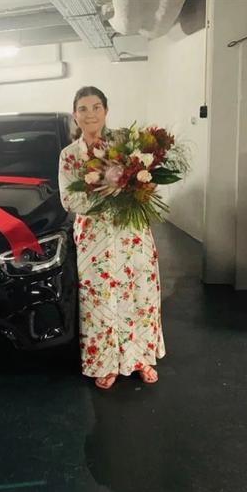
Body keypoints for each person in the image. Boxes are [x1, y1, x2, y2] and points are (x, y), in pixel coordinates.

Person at [59, 86, 165, 389]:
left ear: (105, 110)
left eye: (96, 107)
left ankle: (140, 358)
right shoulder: (69, 155)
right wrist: (110, 193)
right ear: (75, 115)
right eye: (83, 108)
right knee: (100, 299)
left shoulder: (125, 145)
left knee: (139, 293)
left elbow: (147, 183)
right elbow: (69, 200)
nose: (90, 114)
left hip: (130, 233)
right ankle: (104, 364)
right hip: (94, 238)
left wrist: (137, 188)